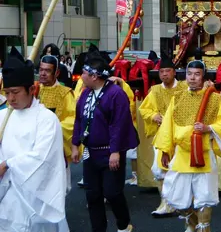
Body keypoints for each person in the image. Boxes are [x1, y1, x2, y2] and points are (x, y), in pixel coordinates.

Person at [154, 60, 221, 232]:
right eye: (189, 74)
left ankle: (204, 227)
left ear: (203, 76)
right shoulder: (178, 97)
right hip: (182, 155)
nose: (192, 78)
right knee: (174, 197)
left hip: (203, 155)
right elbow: (167, 125)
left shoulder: (214, 98)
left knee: (204, 198)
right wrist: (165, 150)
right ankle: (193, 223)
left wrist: (208, 128)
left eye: (197, 74)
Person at [0, 46, 68, 231]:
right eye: (6, 93)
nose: (10, 98)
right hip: (8, 195)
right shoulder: (4, 116)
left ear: (31, 89)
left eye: (15, 92)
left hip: (35, 197)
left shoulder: (46, 119)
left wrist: (7, 164)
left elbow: (42, 157)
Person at [71, 50, 138, 232]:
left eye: (84, 73)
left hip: (110, 151)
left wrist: (115, 151)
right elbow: (79, 119)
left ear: (94, 76)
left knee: (112, 192)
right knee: (92, 195)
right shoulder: (85, 93)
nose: (81, 77)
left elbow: (119, 124)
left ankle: (124, 224)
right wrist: (75, 144)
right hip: (90, 151)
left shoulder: (116, 94)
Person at [139, 52, 187, 216]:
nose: (164, 74)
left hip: (181, 136)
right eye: (161, 72)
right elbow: (144, 108)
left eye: (167, 71)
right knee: (159, 169)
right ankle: (165, 202)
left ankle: (182, 204)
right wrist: (153, 116)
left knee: (181, 169)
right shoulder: (155, 90)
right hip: (162, 135)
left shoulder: (184, 88)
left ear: (174, 72)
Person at [38, 54, 77, 193]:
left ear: (57, 73)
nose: (42, 73)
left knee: (57, 189)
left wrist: (51, 128)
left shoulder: (65, 93)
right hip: (34, 147)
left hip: (55, 146)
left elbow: (73, 119)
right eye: (41, 69)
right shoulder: (33, 90)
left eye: (47, 70)